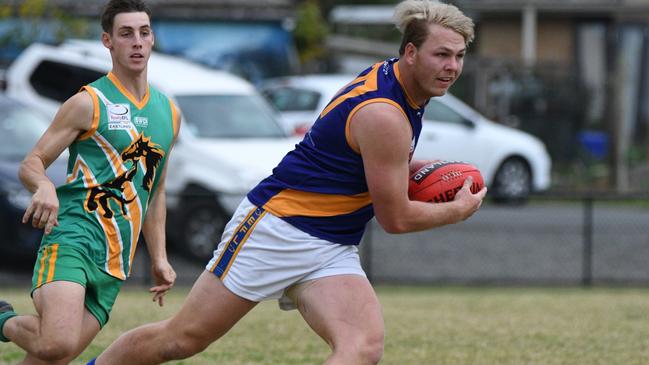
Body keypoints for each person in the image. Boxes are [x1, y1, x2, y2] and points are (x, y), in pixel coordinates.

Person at [89, 1, 485, 364]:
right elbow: (395, 219)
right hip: (277, 229)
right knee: (179, 340)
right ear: (411, 54)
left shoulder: (397, 83)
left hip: (330, 245)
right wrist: (457, 210)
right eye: (442, 54)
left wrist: (408, 162)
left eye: (459, 56)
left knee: (362, 346)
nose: (452, 66)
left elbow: (357, 153)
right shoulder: (385, 114)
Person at [0, 0, 180, 363]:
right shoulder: (88, 102)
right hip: (74, 239)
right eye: (126, 34)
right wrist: (45, 185)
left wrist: (159, 257)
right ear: (107, 41)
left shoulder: (170, 113)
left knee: (49, 358)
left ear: (153, 39)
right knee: (56, 344)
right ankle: (2, 319)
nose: (137, 42)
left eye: (144, 33)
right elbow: (32, 163)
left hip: (116, 261)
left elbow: (155, 190)